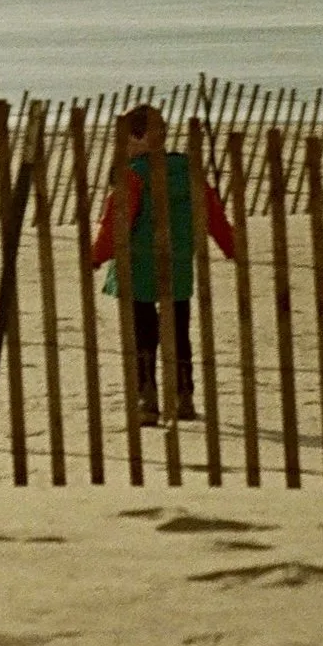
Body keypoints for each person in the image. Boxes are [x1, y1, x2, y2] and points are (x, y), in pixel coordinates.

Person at [88, 102, 235, 424]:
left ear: (139, 140)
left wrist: (96, 257)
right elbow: (213, 214)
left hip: (140, 265)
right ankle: (185, 397)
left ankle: (147, 398)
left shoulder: (135, 175)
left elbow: (117, 223)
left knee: (143, 333)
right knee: (179, 331)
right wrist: (232, 246)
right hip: (179, 264)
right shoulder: (189, 170)